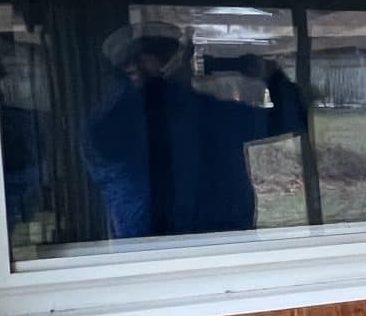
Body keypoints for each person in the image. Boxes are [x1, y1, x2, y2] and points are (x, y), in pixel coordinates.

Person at [80, 22, 306, 240]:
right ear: (139, 68)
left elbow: (291, 119)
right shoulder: (112, 124)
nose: (189, 67)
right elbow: (147, 125)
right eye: (181, 59)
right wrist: (163, 85)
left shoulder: (207, 113)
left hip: (224, 250)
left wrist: (271, 75)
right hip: (155, 258)